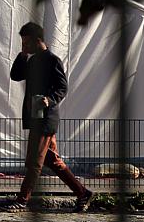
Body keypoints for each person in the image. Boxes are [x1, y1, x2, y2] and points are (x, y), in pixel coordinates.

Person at [7, 22, 93, 212]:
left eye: (27, 43)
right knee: (52, 161)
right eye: (23, 43)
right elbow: (15, 75)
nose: (25, 46)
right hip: (35, 117)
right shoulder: (31, 60)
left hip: (46, 119)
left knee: (33, 162)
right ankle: (83, 193)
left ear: (39, 40)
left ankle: (22, 200)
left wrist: (50, 99)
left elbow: (62, 88)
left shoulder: (53, 60)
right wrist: (22, 55)